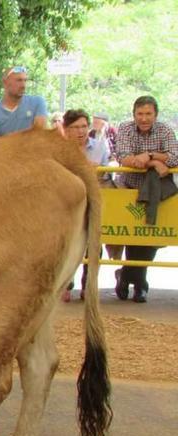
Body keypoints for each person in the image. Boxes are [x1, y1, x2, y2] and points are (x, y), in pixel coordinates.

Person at [114, 95, 178, 303]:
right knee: (133, 236)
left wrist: (149, 155)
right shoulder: (124, 128)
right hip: (129, 187)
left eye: (148, 114)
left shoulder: (165, 129)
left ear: (156, 115)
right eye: (140, 114)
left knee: (150, 237)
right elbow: (123, 156)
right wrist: (155, 161)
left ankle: (127, 276)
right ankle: (139, 283)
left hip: (158, 192)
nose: (144, 118)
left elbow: (175, 156)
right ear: (134, 115)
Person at [60, 109, 112, 302]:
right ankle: (65, 284)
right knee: (67, 244)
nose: (80, 131)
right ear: (66, 130)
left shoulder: (100, 146)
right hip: (67, 202)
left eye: (83, 126)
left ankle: (89, 284)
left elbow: (107, 173)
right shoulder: (59, 149)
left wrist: (94, 171)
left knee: (94, 244)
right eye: (75, 127)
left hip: (94, 199)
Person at [0, 66, 48, 136]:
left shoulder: (37, 103)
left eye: (25, 80)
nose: (23, 85)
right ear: (5, 83)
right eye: (19, 80)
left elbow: (39, 133)